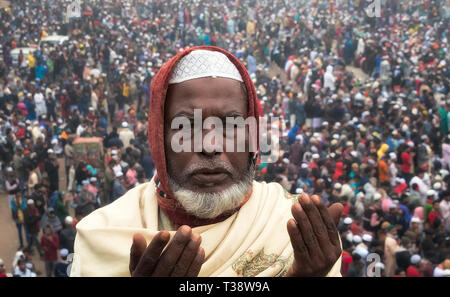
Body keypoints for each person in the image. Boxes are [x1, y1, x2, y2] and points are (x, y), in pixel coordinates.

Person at [71, 46, 344, 277]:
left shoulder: (298, 229)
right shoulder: (102, 235)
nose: (210, 146)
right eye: (188, 126)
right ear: (158, 137)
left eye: (231, 125)